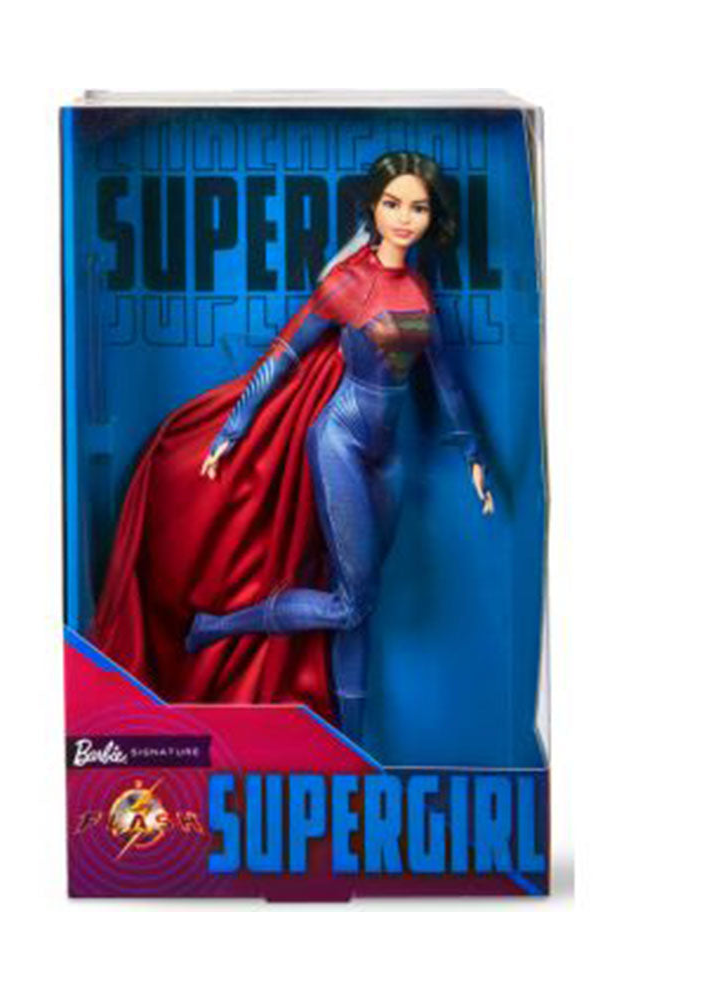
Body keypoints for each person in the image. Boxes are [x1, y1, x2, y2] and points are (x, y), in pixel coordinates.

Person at [91, 151, 492, 743]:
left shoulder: (419, 290)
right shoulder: (348, 282)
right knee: (353, 603)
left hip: (390, 458)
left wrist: (473, 453)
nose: (405, 218)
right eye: (392, 204)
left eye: (418, 207)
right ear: (374, 207)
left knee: (361, 606)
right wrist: (233, 428)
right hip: (341, 441)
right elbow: (284, 354)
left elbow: (447, 382)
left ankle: (353, 746)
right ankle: (217, 625)